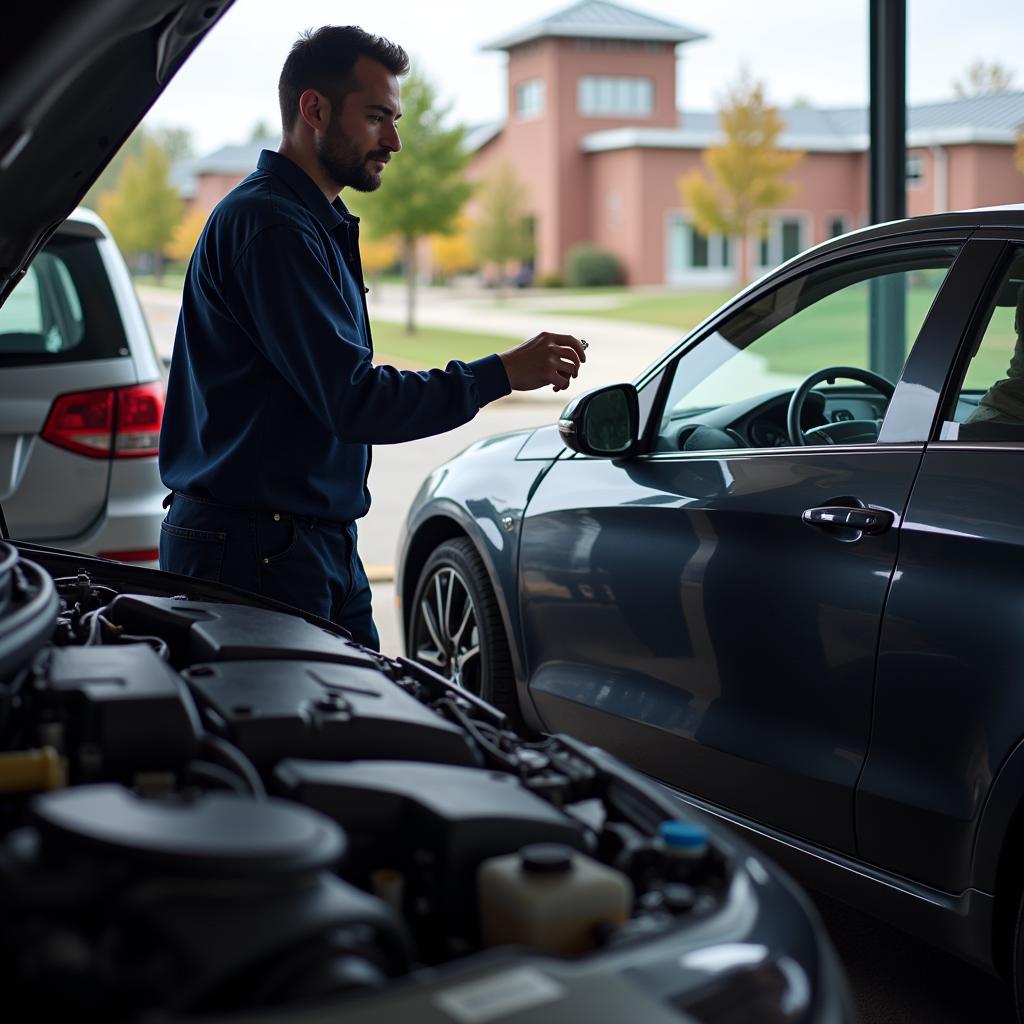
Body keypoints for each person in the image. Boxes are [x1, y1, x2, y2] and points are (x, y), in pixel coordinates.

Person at [158, 26, 585, 650]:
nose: (395, 140)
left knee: (351, 727)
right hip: (255, 551)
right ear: (315, 109)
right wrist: (499, 373)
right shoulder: (272, 227)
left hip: (304, 542)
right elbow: (354, 399)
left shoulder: (305, 222)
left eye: (395, 118)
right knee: (296, 740)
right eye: (377, 117)